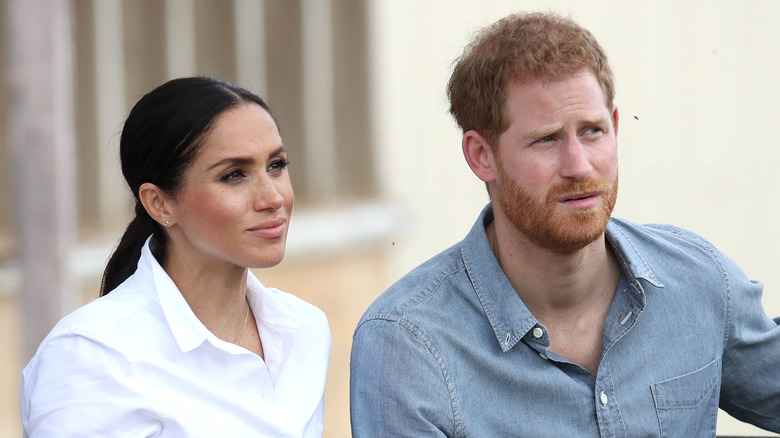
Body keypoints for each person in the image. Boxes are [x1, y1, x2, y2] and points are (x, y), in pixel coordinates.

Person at [350, 12, 780, 437]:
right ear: (482, 156)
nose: (579, 165)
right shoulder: (408, 346)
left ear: (614, 126)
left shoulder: (699, 282)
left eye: (592, 131)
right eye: (547, 139)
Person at [20, 76, 331, 437]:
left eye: (276, 165)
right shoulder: (93, 355)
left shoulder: (304, 329)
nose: (273, 198)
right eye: (234, 175)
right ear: (159, 202)